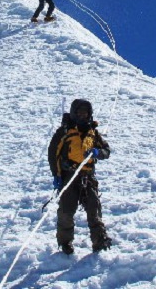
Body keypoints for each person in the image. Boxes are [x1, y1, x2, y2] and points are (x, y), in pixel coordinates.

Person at [47, 99, 112, 255]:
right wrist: (56, 175)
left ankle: (99, 241)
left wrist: (98, 153)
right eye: (80, 112)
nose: (83, 115)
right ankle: (65, 243)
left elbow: (106, 150)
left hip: (88, 176)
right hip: (69, 176)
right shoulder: (64, 131)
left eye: (86, 112)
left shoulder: (93, 133)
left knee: (94, 208)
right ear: (74, 113)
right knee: (66, 211)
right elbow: (53, 153)